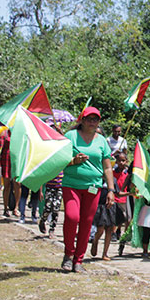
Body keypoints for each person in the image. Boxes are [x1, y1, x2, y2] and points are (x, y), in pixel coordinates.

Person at [61, 106, 115, 273]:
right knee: (72, 217)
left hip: (93, 187)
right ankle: (68, 255)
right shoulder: (70, 136)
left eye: (96, 119)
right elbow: (58, 159)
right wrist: (73, 161)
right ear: (82, 120)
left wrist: (111, 190)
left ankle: (78, 260)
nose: (92, 122)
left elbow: (107, 168)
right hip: (72, 184)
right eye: (89, 119)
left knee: (86, 223)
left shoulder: (102, 141)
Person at [39, 171, 64, 238]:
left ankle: (52, 229)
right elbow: (42, 176)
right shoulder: (51, 164)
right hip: (50, 187)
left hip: (59, 188)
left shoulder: (64, 164)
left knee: (56, 209)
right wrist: (40, 191)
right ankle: (42, 220)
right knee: (48, 207)